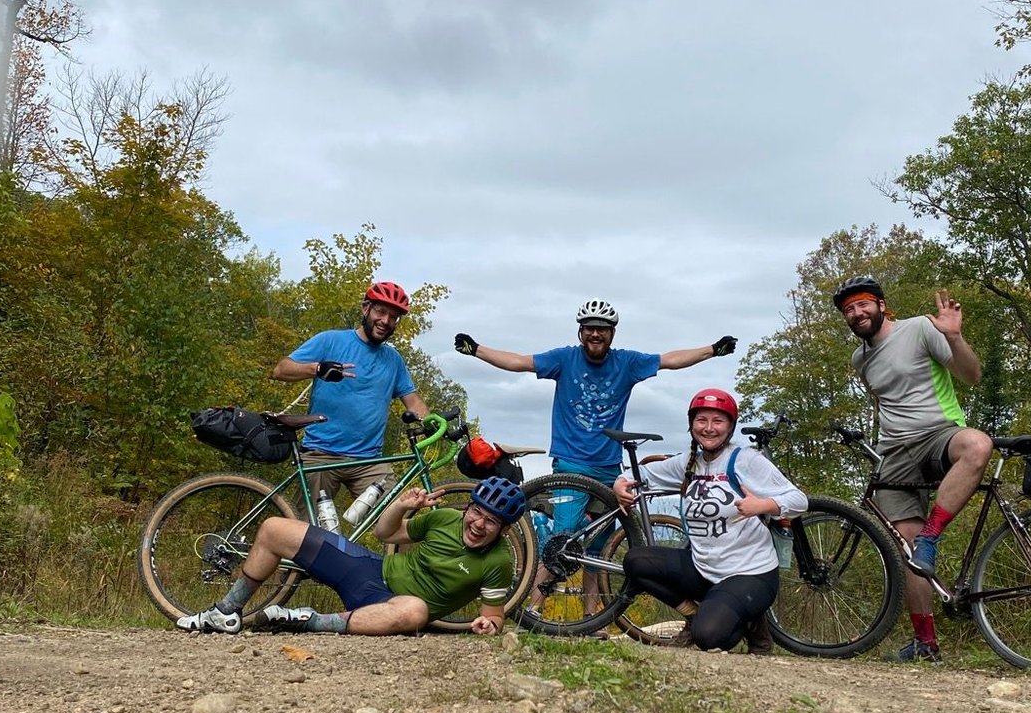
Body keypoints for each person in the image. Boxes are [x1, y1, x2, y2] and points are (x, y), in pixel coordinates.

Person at [455, 299, 737, 621]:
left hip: (609, 468)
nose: (595, 334)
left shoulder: (627, 363)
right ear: (580, 331)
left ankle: (592, 618)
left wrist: (712, 350)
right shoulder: (564, 359)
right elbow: (519, 362)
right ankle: (532, 610)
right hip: (570, 463)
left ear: (612, 333)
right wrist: (476, 349)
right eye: (589, 328)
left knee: (598, 550)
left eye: (602, 329)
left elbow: (670, 360)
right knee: (562, 541)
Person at [833, 275, 993, 663]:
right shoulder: (861, 359)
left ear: (882, 305)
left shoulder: (920, 329)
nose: (857, 312)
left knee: (978, 444)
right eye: (849, 309)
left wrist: (954, 337)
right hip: (895, 453)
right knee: (906, 549)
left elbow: (970, 375)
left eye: (864, 303)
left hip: (939, 433)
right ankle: (926, 644)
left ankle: (932, 536)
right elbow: (887, 403)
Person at [174, 476, 526, 637]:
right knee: (273, 529)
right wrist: (401, 506)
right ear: (468, 507)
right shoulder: (446, 518)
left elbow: (493, 617)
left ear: (504, 530)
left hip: (396, 605)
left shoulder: (497, 562)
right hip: (368, 568)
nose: (478, 524)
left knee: (416, 611)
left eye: (491, 521)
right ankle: (225, 613)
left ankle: (305, 621)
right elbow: (385, 534)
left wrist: (488, 625)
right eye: (476, 513)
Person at [613, 389, 807, 652]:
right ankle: (693, 615)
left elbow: (799, 500)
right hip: (703, 569)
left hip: (749, 573)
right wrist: (619, 485)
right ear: (692, 424)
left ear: (730, 426)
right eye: (701, 420)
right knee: (636, 561)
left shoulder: (746, 460)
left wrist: (761, 505)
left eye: (718, 421)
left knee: (708, 638)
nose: (709, 428)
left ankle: (752, 624)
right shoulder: (688, 463)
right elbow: (639, 474)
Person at [272, 279, 429, 503]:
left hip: (369, 461)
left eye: (393, 317)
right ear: (366, 309)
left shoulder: (393, 360)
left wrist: (430, 423)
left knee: (398, 518)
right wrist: (317, 368)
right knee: (307, 531)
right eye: (381, 311)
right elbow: (281, 370)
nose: (385, 321)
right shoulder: (331, 340)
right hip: (321, 453)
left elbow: (413, 401)